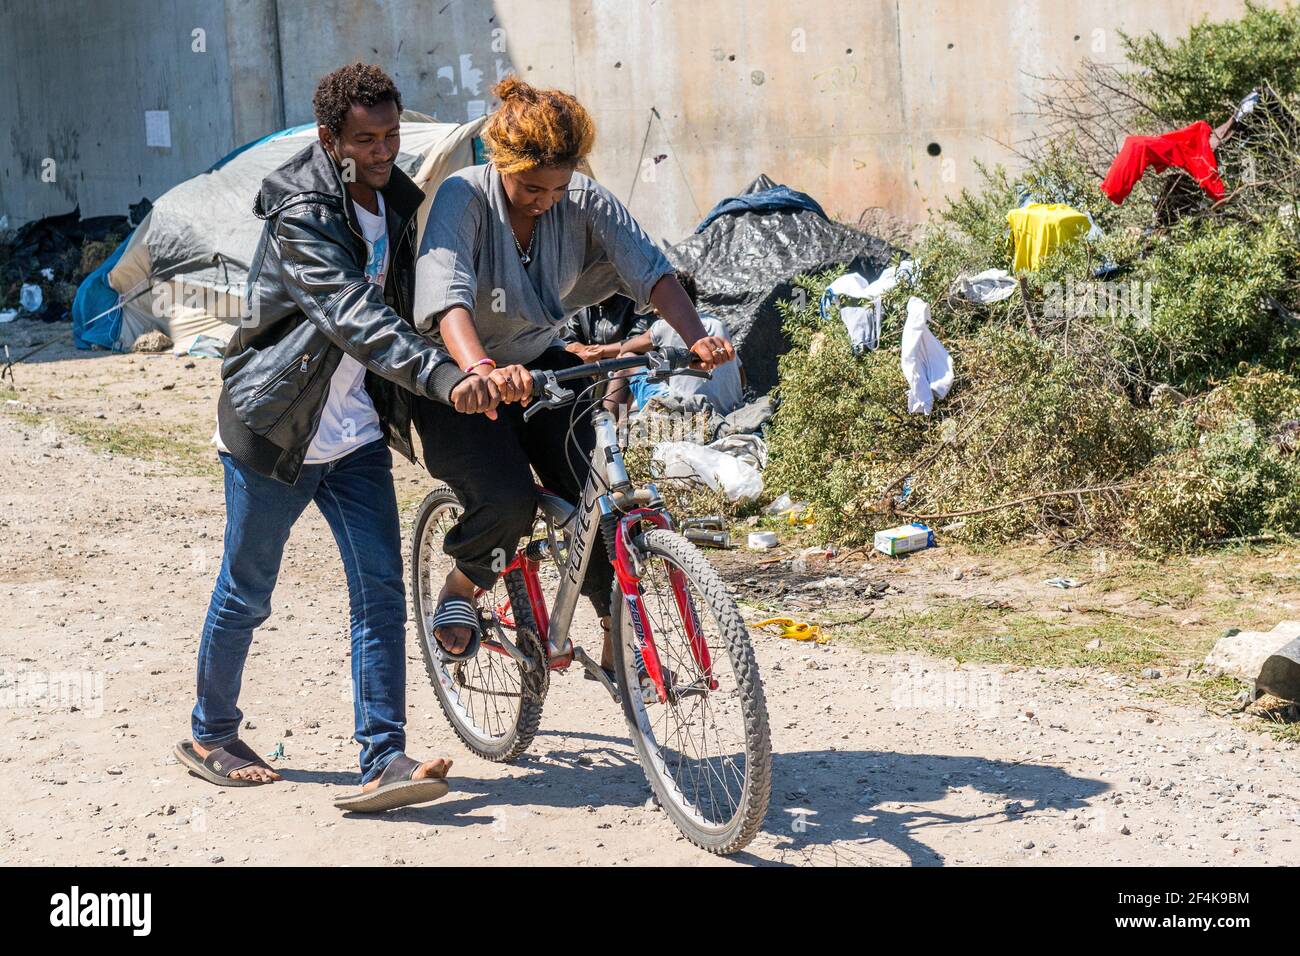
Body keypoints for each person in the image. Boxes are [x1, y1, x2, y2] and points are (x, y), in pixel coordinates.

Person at [177, 63, 487, 814]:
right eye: (365, 140)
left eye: (391, 136)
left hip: (349, 435)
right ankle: (211, 733)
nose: (383, 153)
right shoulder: (301, 210)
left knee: (380, 590)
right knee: (248, 591)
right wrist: (444, 378)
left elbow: (420, 298)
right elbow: (353, 315)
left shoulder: (399, 198)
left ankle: (382, 758)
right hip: (276, 428)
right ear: (330, 139)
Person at [412, 76, 736, 679]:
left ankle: (614, 625)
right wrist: (480, 369)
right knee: (506, 499)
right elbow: (447, 300)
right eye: (532, 186)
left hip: (539, 360)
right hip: (457, 375)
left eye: (558, 186)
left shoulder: (582, 198)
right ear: (499, 163)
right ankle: (463, 581)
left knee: (600, 498)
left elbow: (653, 273)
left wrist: (697, 337)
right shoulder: (463, 198)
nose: (546, 199)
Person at [608, 270, 746, 417]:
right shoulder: (718, 323)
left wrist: (600, 352)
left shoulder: (663, 325)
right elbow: (741, 378)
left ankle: (610, 426)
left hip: (687, 413)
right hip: (732, 411)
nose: (654, 310)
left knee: (626, 360)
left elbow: (627, 347)